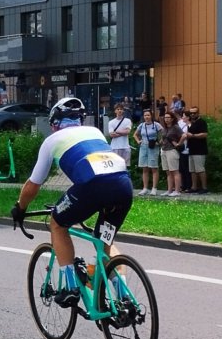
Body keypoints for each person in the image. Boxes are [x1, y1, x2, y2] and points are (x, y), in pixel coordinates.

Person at [11, 97, 134, 306]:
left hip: (92, 185)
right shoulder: (95, 132)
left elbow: (33, 185)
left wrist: (20, 208)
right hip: (123, 186)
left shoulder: (52, 140)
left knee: (58, 224)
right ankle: (124, 299)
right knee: (105, 243)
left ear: (54, 123)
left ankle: (70, 287)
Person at [135, 110, 162, 196]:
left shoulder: (156, 125)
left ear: (151, 116)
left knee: (154, 168)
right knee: (145, 168)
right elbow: (135, 134)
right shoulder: (142, 125)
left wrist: (159, 142)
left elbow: (163, 135)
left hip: (153, 147)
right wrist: (138, 141)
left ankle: (154, 188)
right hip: (143, 146)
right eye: (145, 115)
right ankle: (145, 188)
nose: (146, 117)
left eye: (148, 115)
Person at [185, 105, 210, 193]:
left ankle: (204, 187)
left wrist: (193, 136)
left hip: (200, 149)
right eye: (191, 113)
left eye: (194, 113)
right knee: (192, 170)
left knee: (200, 169)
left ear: (198, 113)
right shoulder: (191, 123)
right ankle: (194, 187)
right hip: (191, 149)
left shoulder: (201, 122)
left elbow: (205, 134)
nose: (192, 114)